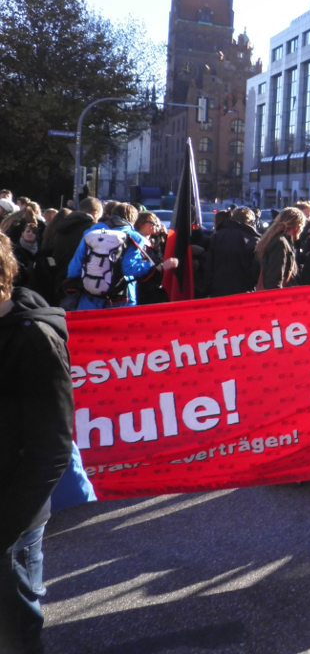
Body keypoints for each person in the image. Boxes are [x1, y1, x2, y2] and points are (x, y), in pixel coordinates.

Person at [0, 233, 74, 653]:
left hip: (11, 525)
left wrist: (7, 526)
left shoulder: (33, 340)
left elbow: (52, 448)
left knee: (13, 634)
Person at [65, 203, 177, 310]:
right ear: (133, 220)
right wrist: (152, 266)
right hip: (121, 298)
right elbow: (129, 269)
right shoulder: (133, 236)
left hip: (89, 296)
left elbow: (75, 266)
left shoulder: (91, 232)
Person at [50, 197, 103, 298]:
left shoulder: (62, 224)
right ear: (95, 213)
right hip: (80, 281)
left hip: (60, 276)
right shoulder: (91, 228)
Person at [206, 207, 262, 297]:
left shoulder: (217, 236)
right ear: (250, 223)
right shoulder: (253, 240)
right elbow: (256, 269)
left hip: (218, 290)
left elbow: (208, 264)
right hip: (244, 291)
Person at [255, 207, 306, 290]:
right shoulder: (280, 243)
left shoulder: (278, 239)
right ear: (297, 226)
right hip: (280, 296)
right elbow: (275, 278)